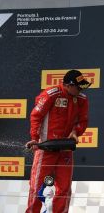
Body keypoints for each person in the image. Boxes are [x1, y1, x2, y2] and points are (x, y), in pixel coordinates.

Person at [25, 69, 91, 213]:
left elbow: (83, 121)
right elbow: (36, 116)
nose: (81, 90)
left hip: (66, 149)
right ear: (68, 85)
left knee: (64, 188)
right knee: (37, 187)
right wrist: (35, 139)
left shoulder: (82, 99)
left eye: (82, 87)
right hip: (46, 148)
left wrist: (76, 131)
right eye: (78, 87)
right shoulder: (51, 94)